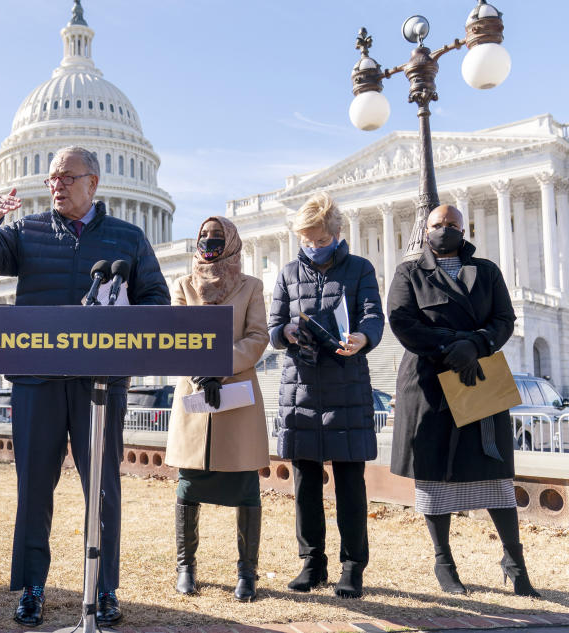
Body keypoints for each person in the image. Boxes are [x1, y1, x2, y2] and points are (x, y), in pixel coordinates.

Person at [0, 145, 169, 627]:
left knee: (103, 488)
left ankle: (105, 588)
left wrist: (125, 316)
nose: (55, 184)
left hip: (101, 383)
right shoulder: (26, 232)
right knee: (35, 486)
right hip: (38, 381)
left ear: (92, 183)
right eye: (52, 178)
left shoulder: (128, 238)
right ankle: (32, 587)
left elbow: (156, 299)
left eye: (66, 177)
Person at [387, 204, 540, 598]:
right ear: (426, 228)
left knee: (494, 475)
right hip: (429, 382)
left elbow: (505, 319)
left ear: (464, 228)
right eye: (437, 225)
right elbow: (402, 321)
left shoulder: (486, 271)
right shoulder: (409, 272)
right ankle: (444, 561)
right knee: (435, 475)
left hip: (479, 376)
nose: (444, 230)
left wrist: (476, 344)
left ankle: (514, 562)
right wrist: (448, 347)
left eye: (452, 224)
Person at [267, 191, 383, 599]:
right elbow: (273, 325)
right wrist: (285, 333)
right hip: (300, 386)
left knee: (351, 482)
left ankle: (353, 567)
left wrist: (362, 338)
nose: (313, 247)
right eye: (307, 240)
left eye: (320, 239)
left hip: (346, 383)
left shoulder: (360, 269)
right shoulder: (286, 274)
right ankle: (312, 562)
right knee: (305, 483)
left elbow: (373, 315)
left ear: (336, 233)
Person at [164, 216, 270, 602]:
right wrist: (199, 370)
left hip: (235, 396)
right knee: (189, 483)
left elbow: (259, 336)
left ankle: (247, 572)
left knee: (244, 486)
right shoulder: (184, 285)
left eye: (217, 237)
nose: (209, 242)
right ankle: (186, 567)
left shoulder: (251, 286)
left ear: (231, 243)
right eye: (204, 236)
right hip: (195, 395)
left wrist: (219, 364)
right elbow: (174, 337)